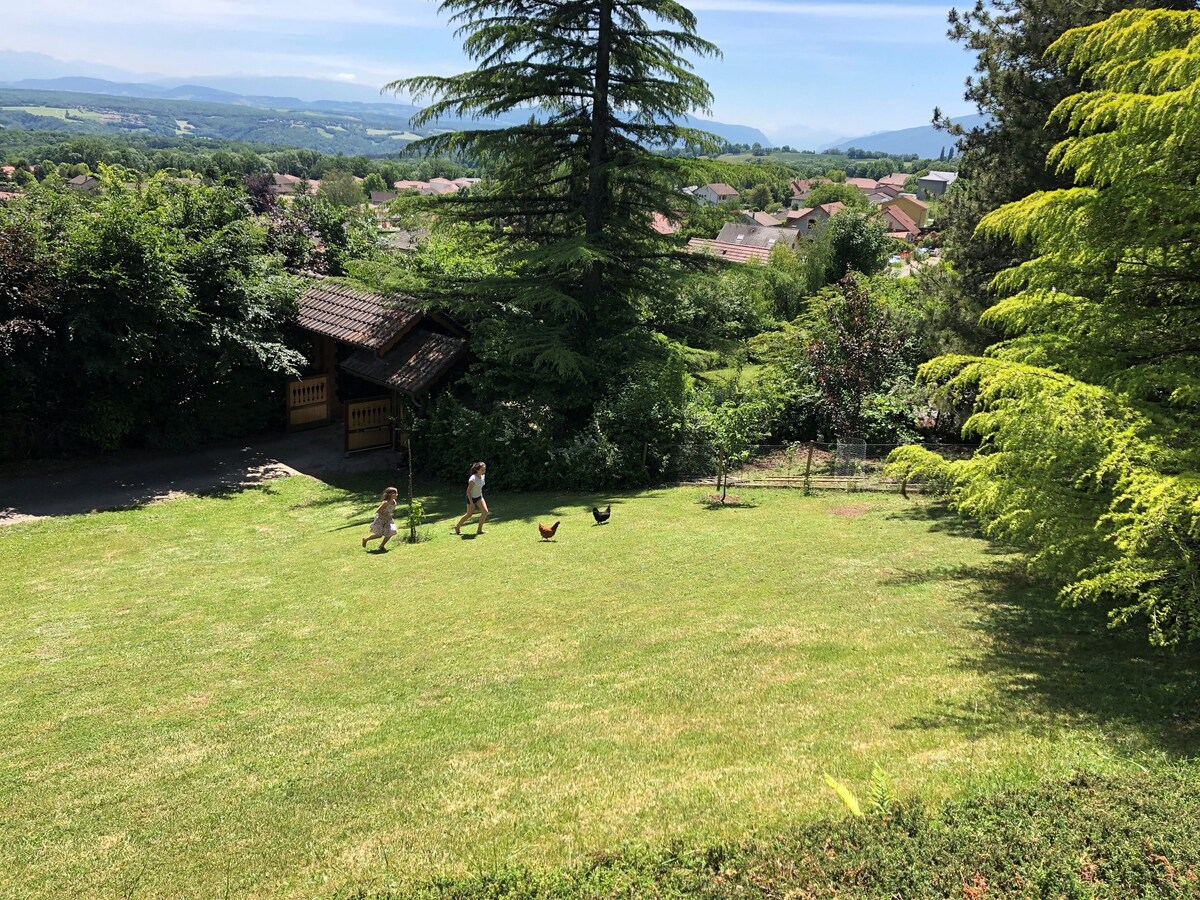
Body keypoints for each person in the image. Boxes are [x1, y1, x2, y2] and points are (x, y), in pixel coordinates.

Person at [455, 462, 488, 535]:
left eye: (484, 470)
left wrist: (480, 497)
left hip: (479, 497)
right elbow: (468, 491)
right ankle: (457, 527)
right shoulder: (473, 479)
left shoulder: (483, 476)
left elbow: (479, 488)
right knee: (469, 515)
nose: (484, 471)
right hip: (471, 498)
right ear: (477, 470)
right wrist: (472, 503)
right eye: (482, 470)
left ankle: (479, 530)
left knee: (485, 512)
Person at [362, 486, 399, 551]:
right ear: (391, 494)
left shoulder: (394, 502)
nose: (397, 495)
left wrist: (389, 517)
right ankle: (365, 539)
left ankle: (381, 546)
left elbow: (389, 511)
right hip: (380, 519)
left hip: (387, 519)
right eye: (396, 493)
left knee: (392, 531)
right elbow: (378, 511)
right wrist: (386, 517)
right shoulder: (385, 503)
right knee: (379, 535)